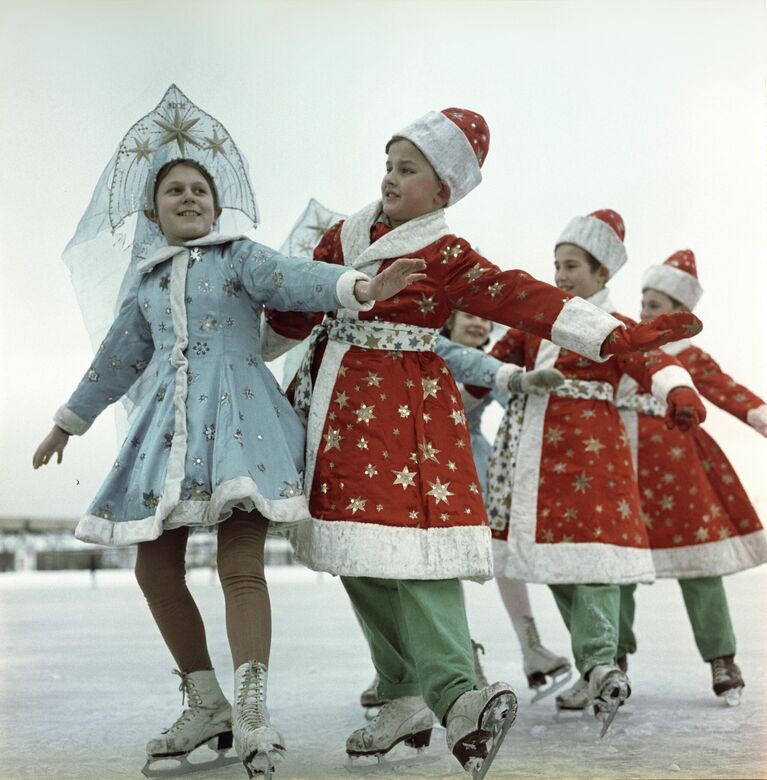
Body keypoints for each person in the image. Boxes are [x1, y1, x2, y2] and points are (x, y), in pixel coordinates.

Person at [262, 108, 701, 772]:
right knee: (354, 554)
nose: (391, 178)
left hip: (409, 417)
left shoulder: (447, 258)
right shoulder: (343, 236)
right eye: (389, 164)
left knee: (415, 554)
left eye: (408, 170)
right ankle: (403, 694)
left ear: (443, 191)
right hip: (338, 414)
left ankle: (459, 699)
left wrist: (650, 362)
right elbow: (292, 311)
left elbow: (536, 303)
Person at [32, 85, 424, 779]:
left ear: (217, 205)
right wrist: (69, 421)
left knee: (239, 565)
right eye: (175, 191)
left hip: (243, 425)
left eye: (200, 191)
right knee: (155, 564)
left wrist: (359, 287)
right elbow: (117, 360)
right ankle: (204, 698)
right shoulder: (146, 283)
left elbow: (294, 277)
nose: (189, 199)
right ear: (152, 211)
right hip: (168, 434)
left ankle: (250, 710)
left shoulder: (239, 256)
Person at [474, 210, 706, 733]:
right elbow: (489, 368)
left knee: (595, 560)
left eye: (572, 266)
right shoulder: (534, 320)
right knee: (554, 563)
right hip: (533, 459)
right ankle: (595, 664)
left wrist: (680, 391)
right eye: (556, 265)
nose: (560, 276)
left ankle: (600, 663)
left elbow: (651, 362)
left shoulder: (616, 325)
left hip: (593, 458)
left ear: (602, 275)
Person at [614, 250, 767, 705]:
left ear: (681, 312)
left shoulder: (689, 354)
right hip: (618, 464)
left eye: (656, 304)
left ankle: (722, 656)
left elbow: (725, 390)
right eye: (643, 301)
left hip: (678, 471)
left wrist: (759, 415)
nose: (644, 311)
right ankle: (612, 659)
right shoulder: (620, 343)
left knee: (700, 562)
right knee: (615, 562)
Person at [443, 312, 572, 695]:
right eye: (468, 315)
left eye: (484, 320)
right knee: (436, 566)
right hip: (425, 462)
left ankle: (531, 647)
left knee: (502, 555)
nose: (479, 324)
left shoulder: (493, 367)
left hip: (473, 463)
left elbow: (515, 399)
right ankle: (451, 661)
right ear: (447, 321)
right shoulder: (427, 357)